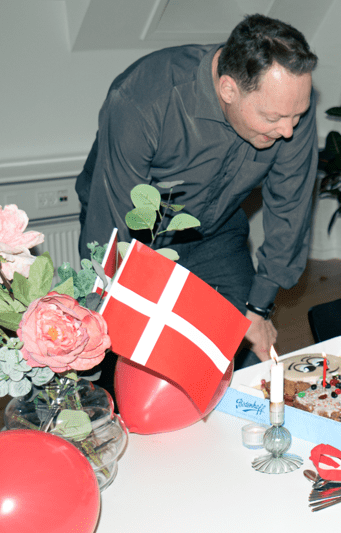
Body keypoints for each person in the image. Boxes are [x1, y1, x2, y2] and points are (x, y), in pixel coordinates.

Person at [76, 14, 318, 378]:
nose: (288, 131)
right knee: (131, 366)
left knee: (236, 356)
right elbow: (113, 230)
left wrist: (258, 309)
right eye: (273, 118)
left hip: (216, 231)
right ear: (228, 89)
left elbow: (291, 206)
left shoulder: (288, 106)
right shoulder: (143, 99)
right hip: (139, 237)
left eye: (296, 116)